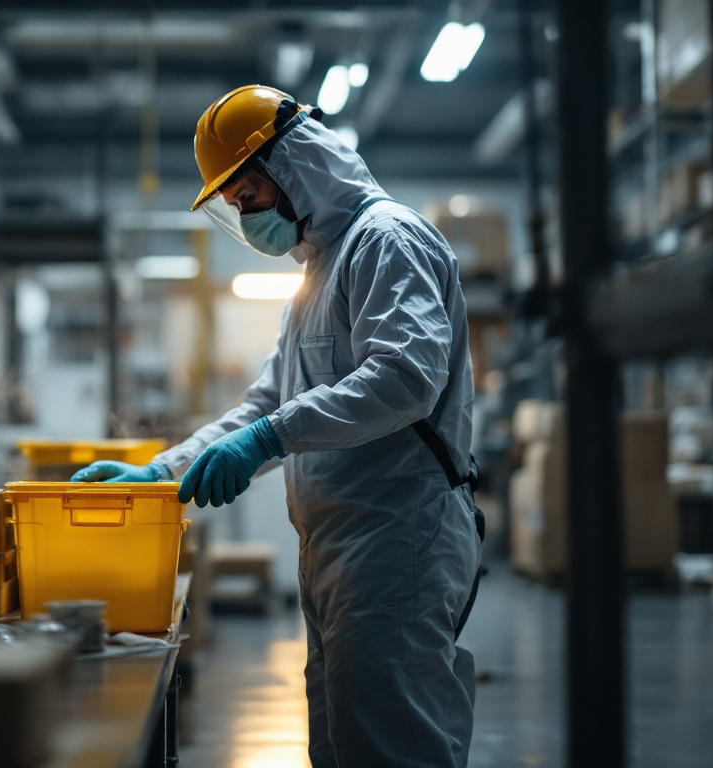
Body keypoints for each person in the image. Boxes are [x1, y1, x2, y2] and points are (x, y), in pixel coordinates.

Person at [72, 84, 481, 768]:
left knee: (393, 741)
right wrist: (162, 474)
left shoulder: (385, 241)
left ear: (291, 167)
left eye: (248, 195)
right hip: (338, 545)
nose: (246, 214)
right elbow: (267, 402)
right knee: (345, 739)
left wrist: (270, 439)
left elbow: (407, 378)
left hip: (398, 536)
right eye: (234, 206)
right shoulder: (317, 276)